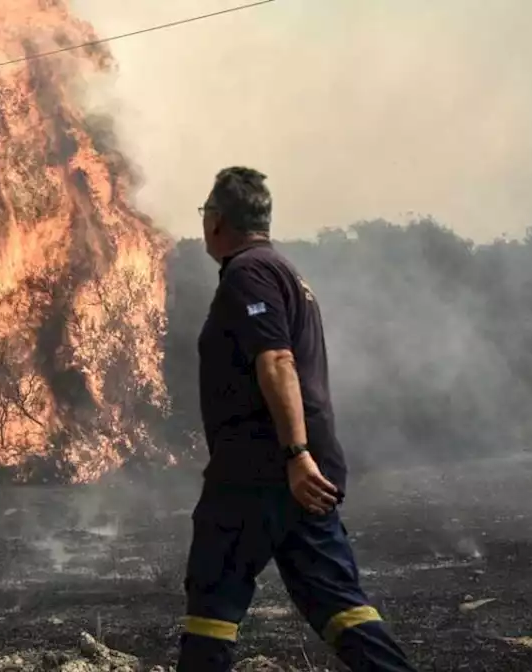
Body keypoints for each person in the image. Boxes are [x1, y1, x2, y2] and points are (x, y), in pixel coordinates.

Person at [177, 167, 416, 672]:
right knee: (339, 604)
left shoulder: (248, 274)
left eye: (205, 214)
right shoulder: (284, 271)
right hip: (295, 473)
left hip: (260, 470)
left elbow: (277, 361)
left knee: (213, 597)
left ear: (217, 220)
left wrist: (295, 455)